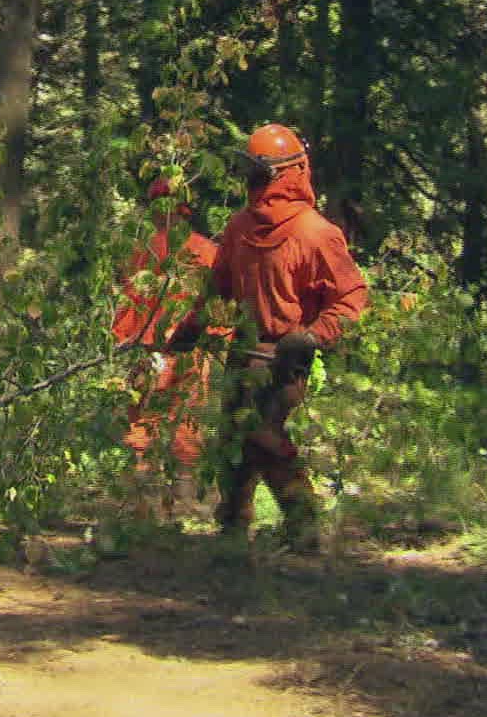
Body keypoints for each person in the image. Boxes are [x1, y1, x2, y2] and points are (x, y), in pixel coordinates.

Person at [174, 123, 369, 552]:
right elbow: (219, 288)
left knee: (263, 435)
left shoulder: (315, 232)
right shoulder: (240, 227)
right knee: (233, 439)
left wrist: (313, 337)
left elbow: (352, 298)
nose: (252, 182)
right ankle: (232, 532)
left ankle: (304, 528)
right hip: (242, 351)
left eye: (259, 173)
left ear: (286, 173)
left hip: (284, 355)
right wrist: (192, 327)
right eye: (249, 172)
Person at [112, 177, 217, 511]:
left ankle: (142, 504)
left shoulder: (138, 251)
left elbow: (125, 297)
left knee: (143, 420)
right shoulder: (207, 250)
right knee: (185, 419)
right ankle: (184, 500)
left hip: (146, 349)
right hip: (192, 350)